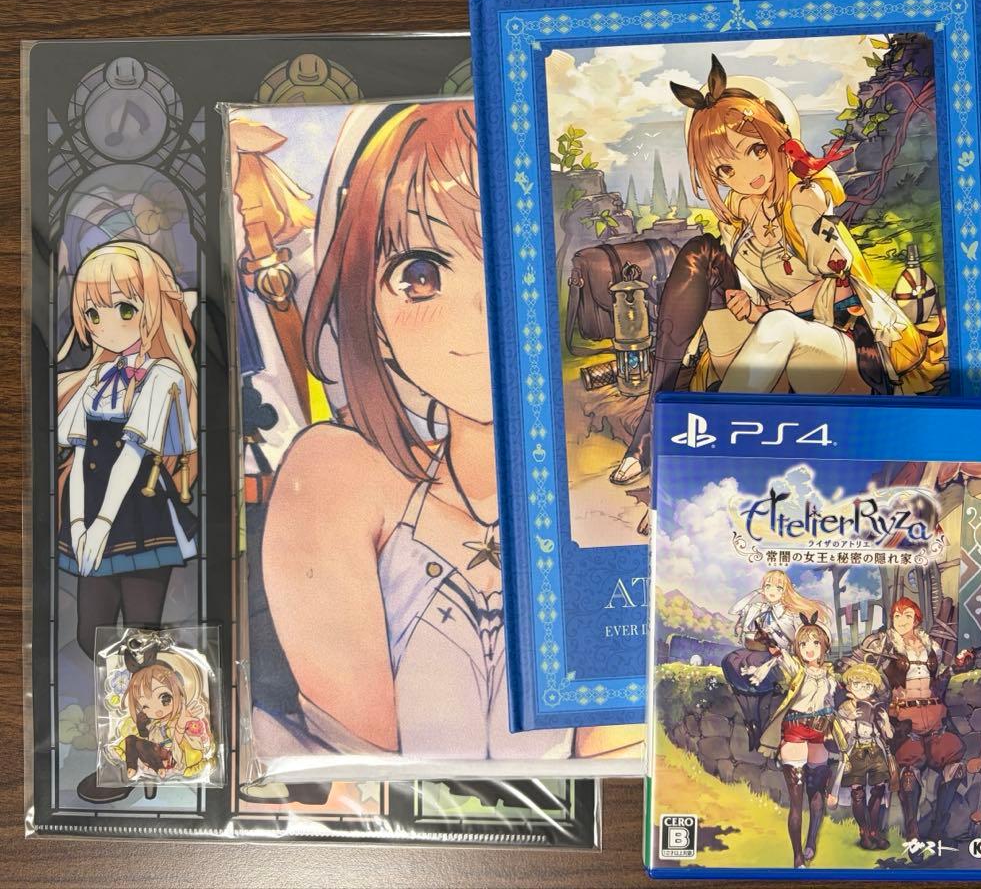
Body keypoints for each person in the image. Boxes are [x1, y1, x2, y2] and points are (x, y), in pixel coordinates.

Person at [261, 101, 636, 768]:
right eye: (420, 275)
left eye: (514, 265)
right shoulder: (338, 480)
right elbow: (364, 770)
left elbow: (617, 763)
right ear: (369, 312)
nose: (480, 317)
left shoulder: (616, 484)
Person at [611, 55, 931, 486]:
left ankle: (700, 459)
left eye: (756, 150)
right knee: (700, 253)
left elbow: (844, 288)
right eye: (726, 169)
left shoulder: (805, 200)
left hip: (835, 355)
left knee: (779, 324)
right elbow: (752, 292)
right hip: (768, 353)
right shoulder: (740, 213)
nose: (748, 174)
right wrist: (746, 300)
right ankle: (652, 426)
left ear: (778, 138)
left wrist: (775, 309)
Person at [56, 240, 198, 803]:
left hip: (141, 516)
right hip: (95, 519)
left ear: (151, 309)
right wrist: (79, 525)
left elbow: (134, 456)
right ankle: (147, 750)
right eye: (93, 313)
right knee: (91, 634)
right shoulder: (95, 379)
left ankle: (141, 760)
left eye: (123, 308)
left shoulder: (161, 375)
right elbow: (78, 457)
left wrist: (101, 523)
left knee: (141, 643)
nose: (104, 324)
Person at [850, 596, 971, 840]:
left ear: (916, 619)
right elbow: (857, 663)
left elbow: (938, 682)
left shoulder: (930, 646)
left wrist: (956, 667)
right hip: (905, 719)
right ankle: (912, 829)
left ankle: (938, 825)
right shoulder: (885, 645)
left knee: (956, 768)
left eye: (907, 615)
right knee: (908, 774)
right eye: (897, 615)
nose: (901, 620)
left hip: (935, 717)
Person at [755, 615, 845, 868]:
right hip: (795, 731)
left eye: (815, 643)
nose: (809, 649)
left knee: (816, 794)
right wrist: (769, 642)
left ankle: (811, 841)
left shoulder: (830, 675)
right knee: (796, 801)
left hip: (819, 734)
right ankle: (797, 856)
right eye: (803, 644)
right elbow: (780, 654)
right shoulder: (797, 669)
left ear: (824, 645)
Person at [722, 569, 828, 751]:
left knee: (755, 669)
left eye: (778, 588)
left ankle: (755, 723)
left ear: (785, 591)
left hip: (776, 657)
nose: (772, 591)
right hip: (751, 651)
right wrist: (755, 593)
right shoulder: (757, 608)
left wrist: (774, 637)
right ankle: (752, 721)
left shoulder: (790, 614)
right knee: (730, 661)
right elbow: (734, 610)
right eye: (768, 586)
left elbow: (798, 641)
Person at [831, 661, 895, 850]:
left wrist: (885, 723)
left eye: (867, 685)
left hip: (876, 749)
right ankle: (864, 832)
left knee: (879, 789)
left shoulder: (878, 706)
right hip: (855, 751)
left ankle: (874, 831)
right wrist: (849, 719)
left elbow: (889, 735)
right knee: (857, 793)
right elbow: (838, 732)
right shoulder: (845, 707)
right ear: (849, 686)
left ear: (874, 688)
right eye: (857, 684)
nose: (862, 689)